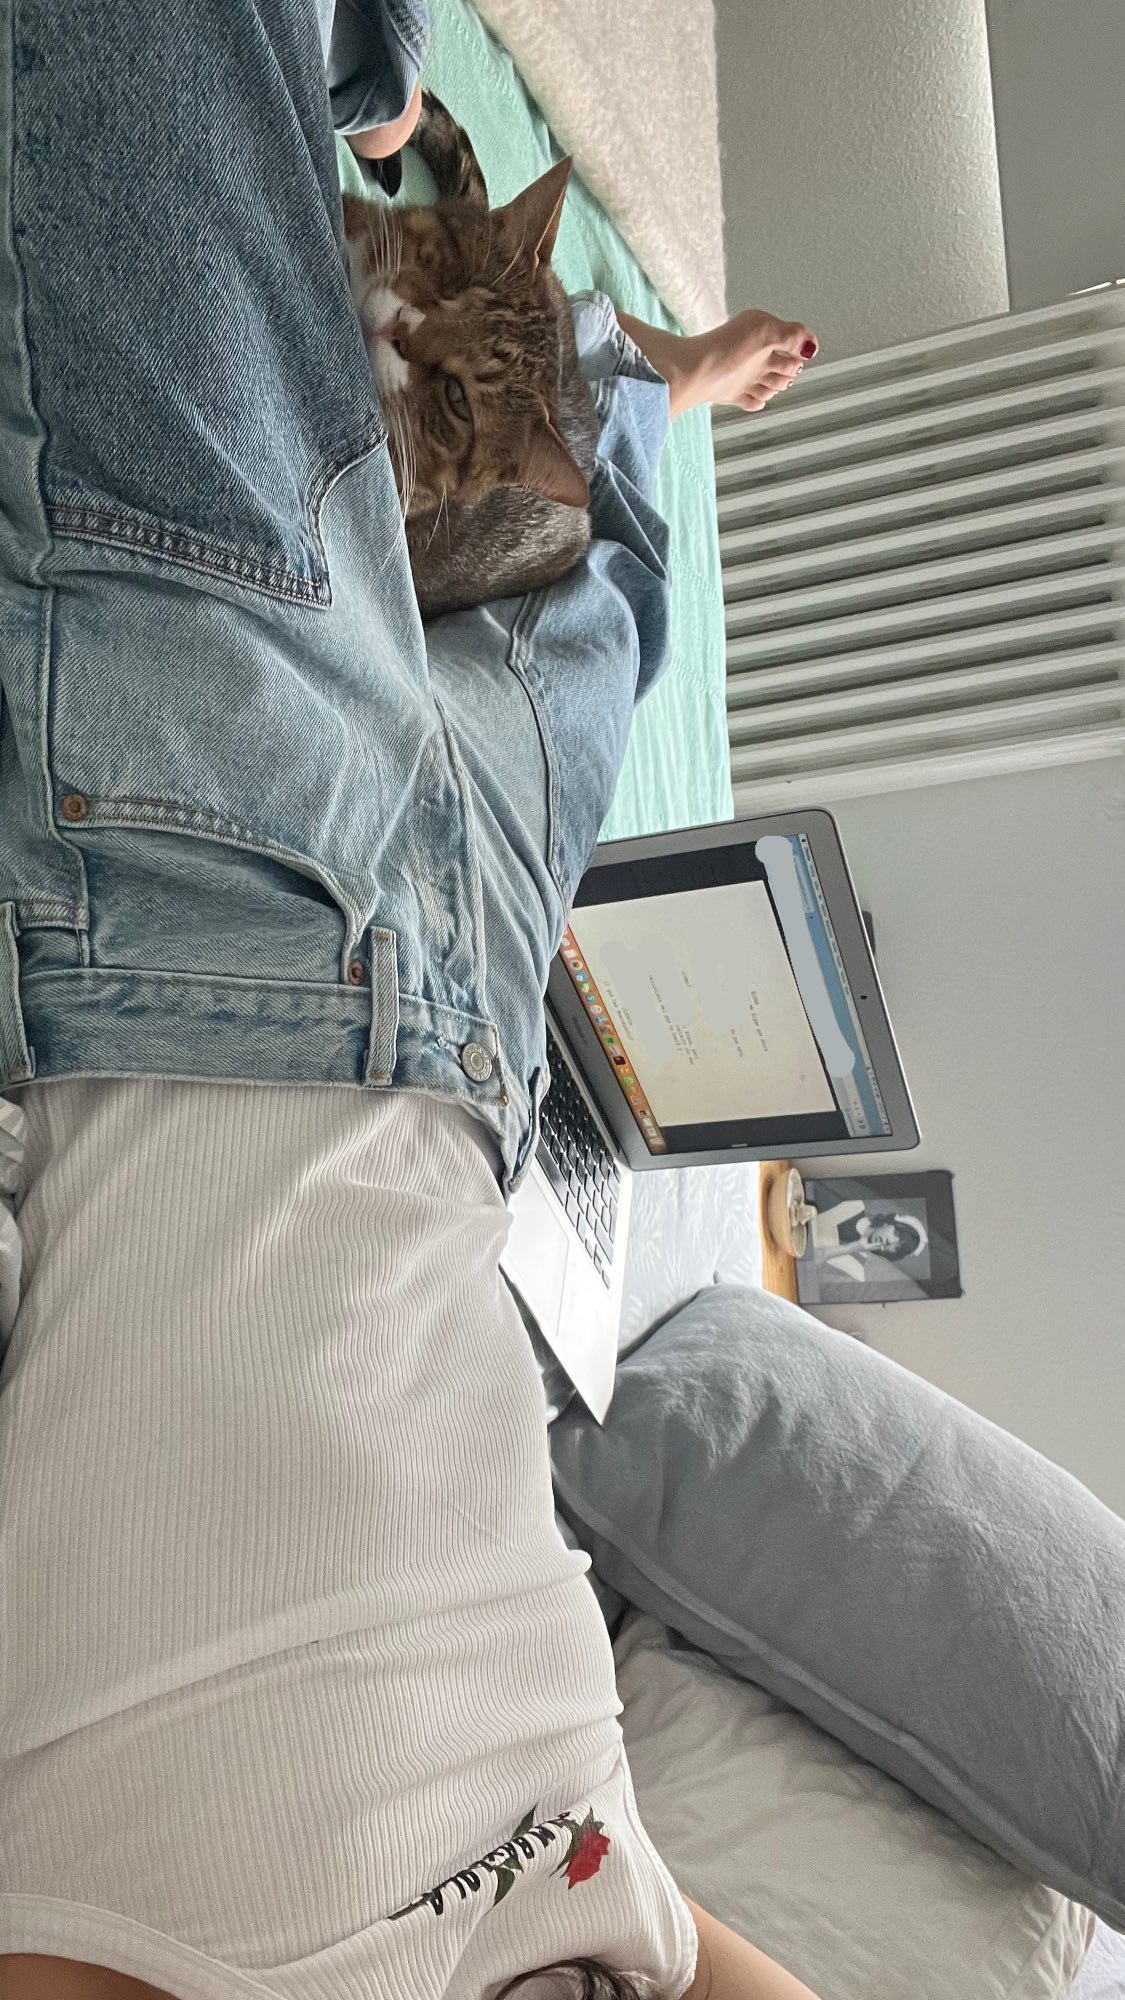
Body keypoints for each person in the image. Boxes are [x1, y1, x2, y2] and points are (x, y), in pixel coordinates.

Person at [0, 4, 823, 1997]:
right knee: (600, 578)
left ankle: (374, 101)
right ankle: (530, 262)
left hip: (224, 921)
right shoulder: (641, 1961)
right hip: (470, 1050)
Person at [809, 1200, 928, 1284]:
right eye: (897, 1233)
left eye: (897, 1248)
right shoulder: (853, 1207)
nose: (890, 1241)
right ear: (888, 1223)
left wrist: (852, 1248)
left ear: (891, 1255)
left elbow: (807, 1261)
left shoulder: (857, 1271)